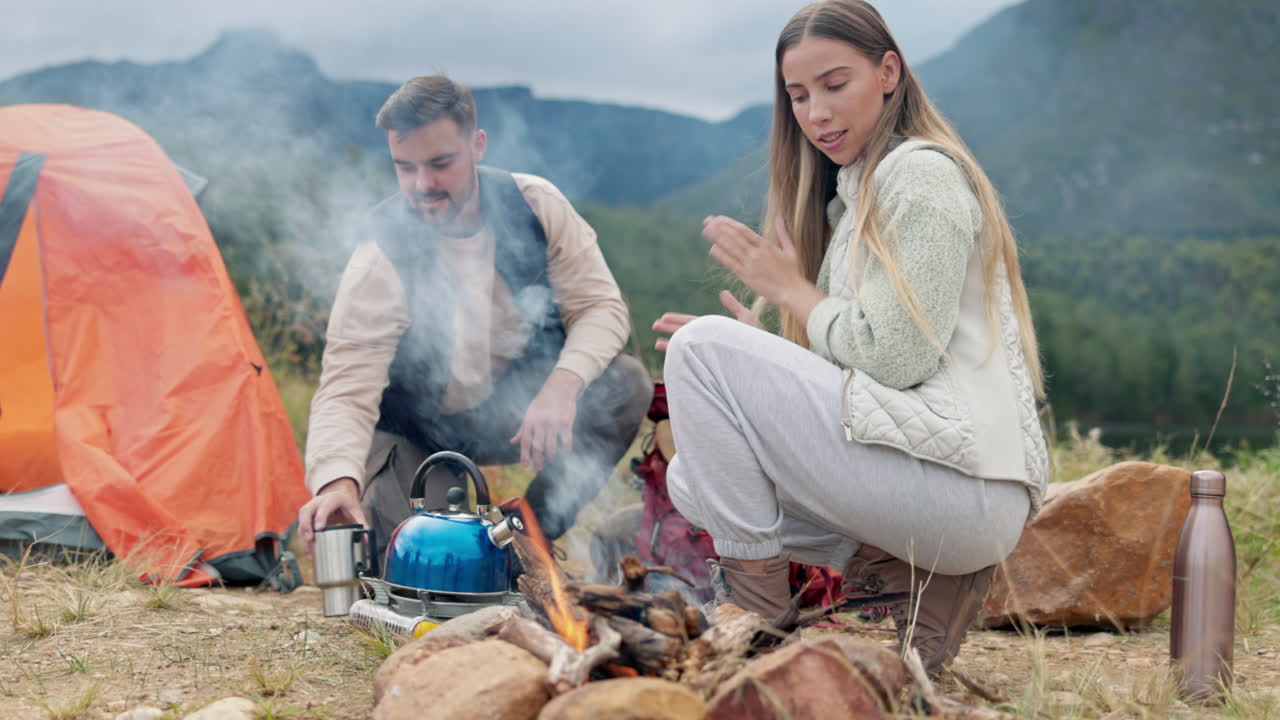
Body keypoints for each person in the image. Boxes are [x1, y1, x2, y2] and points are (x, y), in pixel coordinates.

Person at [653, 0, 1048, 675]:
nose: (817, 113)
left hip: (967, 488)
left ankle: (758, 628)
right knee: (697, 476)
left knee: (702, 350)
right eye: (799, 95)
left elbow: (898, 356)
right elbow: (876, 364)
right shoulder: (857, 193)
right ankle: (919, 585)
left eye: (836, 85)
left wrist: (794, 295)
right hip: (939, 485)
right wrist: (768, 353)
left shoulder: (919, 172)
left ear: (888, 72)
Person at [298, 74, 652, 559]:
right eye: (405, 168)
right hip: (414, 431)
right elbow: (345, 386)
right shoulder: (381, 251)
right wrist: (336, 482)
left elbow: (600, 306)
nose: (423, 186)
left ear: (477, 145)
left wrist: (562, 386)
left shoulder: (535, 205)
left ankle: (527, 537)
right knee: (426, 563)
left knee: (625, 385)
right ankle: (460, 541)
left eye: (441, 163)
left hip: (514, 411)